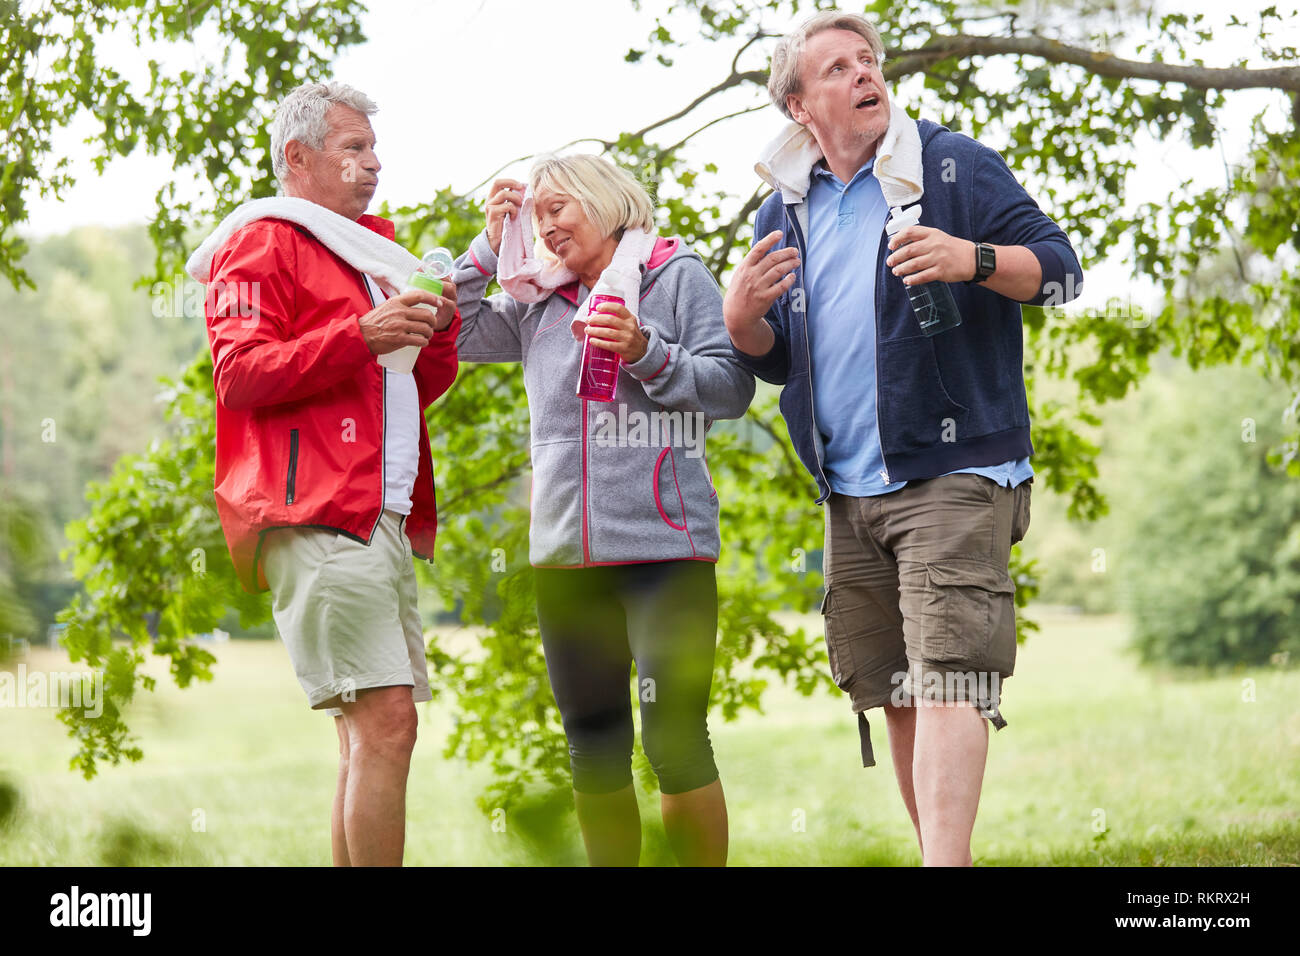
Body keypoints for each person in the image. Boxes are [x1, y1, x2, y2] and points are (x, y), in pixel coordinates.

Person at [724, 11, 1084, 865]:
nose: (863, 75)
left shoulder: (952, 166)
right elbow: (782, 361)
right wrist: (741, 322)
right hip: (848, 489)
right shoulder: (785, 208)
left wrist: (974, 260)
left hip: (955, 470)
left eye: (868, 61)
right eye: (838, 69)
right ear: (797, 103)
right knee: (894, 688)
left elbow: (1063, 270)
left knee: (952, 675)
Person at [451, 154, 754, 866]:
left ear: (605, 199)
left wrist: (649, 352)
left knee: (675, 740)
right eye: (536, 215)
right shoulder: (535, 299)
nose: (547, 226)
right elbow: (455, 332)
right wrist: (487, 247)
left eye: (559, 208)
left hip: (664, 554)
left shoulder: (676, 277)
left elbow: (731, 389)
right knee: (593, 745)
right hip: (566, 563)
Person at [197, 82, 461, 866]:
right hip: (313, 513)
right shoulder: (261, 242)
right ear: (298, 157)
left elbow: (411, 382)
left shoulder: (369, 254)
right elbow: (238, 376)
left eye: (375, 149)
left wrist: (432, 328)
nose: (373, 165)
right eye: (354, 149)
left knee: (365, 735)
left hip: (376, 513)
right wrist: (360, 334)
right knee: (386, 725)